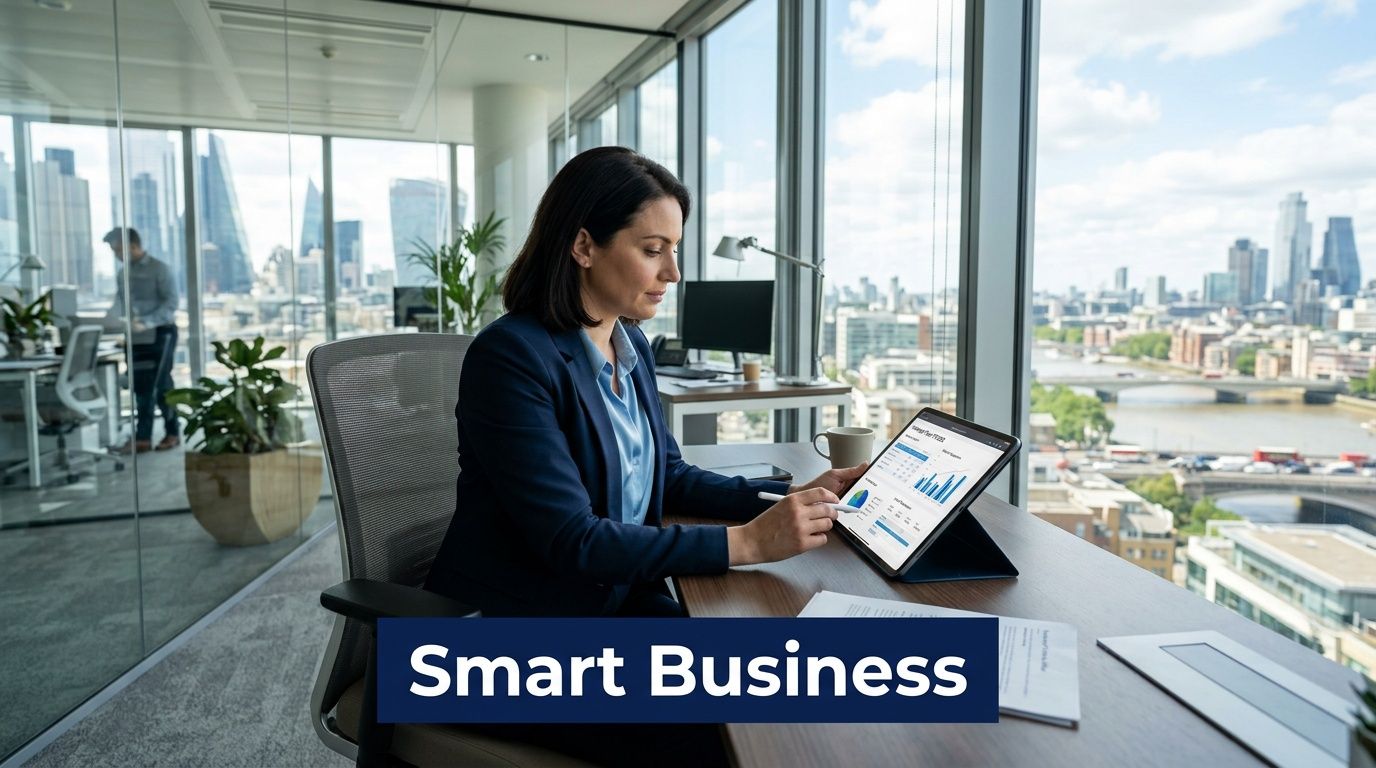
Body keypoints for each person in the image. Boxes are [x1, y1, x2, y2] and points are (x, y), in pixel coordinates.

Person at [424, 147, 866, 767]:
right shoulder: (512, 357)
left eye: (675, 249)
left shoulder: (627, 340)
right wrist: (747, 544)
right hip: (515, 636)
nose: (674, 273)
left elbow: (671, 476)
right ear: (583, 246)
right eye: (653, 250)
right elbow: (573, 541)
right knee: (732, 728)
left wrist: (784, 502)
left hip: (611, 608)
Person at [103, 227, 180, 453]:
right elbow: (120, 303)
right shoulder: (122, 273)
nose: (116, 255)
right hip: (135, 338)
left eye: (118, 250)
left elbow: (171, 303)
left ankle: (173, 432)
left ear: (134, 246)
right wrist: (107, 322)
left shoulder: (160, 269)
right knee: (141, 388)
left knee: (162, 385)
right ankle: (143, 437)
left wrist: (145, 322)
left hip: (160, 333)